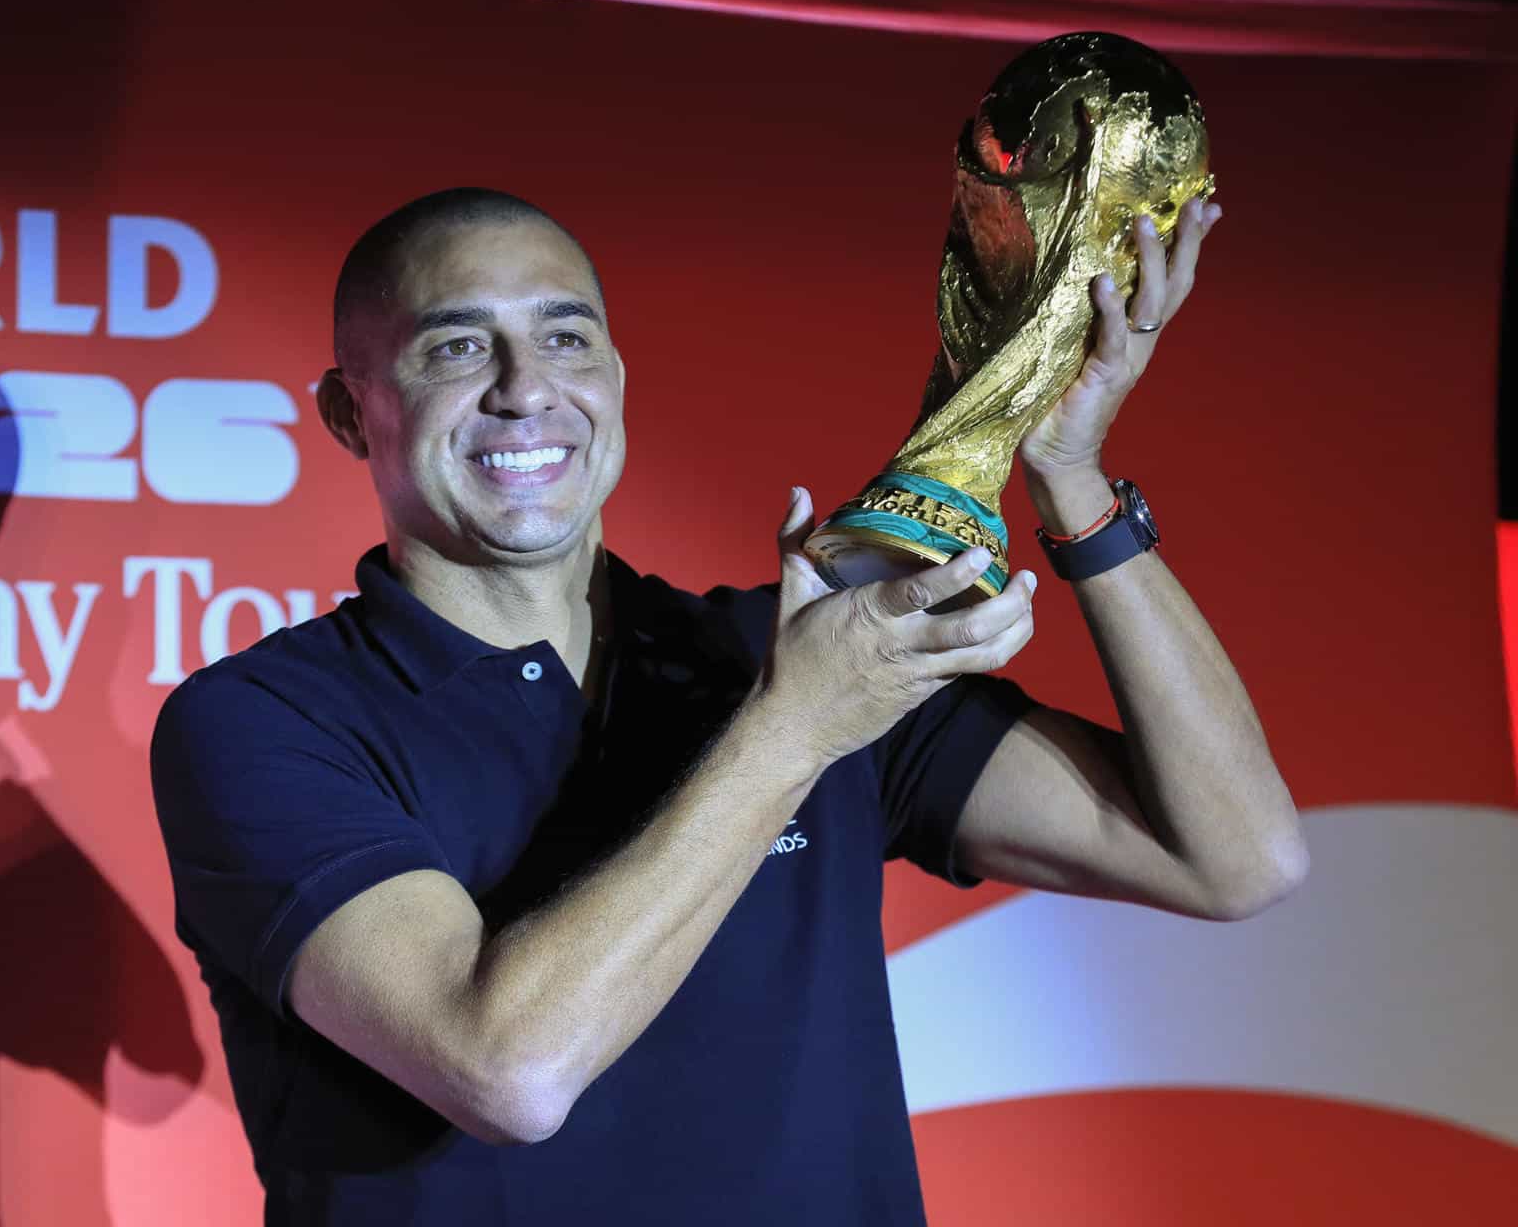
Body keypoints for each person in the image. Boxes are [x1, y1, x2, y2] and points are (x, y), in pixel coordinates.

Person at [148, 187, 1305, 1225]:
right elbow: (508, 1069)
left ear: (614, 379)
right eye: (457, 345)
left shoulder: (768, 650)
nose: (526, 388)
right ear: (351, 412)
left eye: (566, 335)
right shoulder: (264, 721)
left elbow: (1235, 856)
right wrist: (793, 728)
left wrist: (1069, 475)